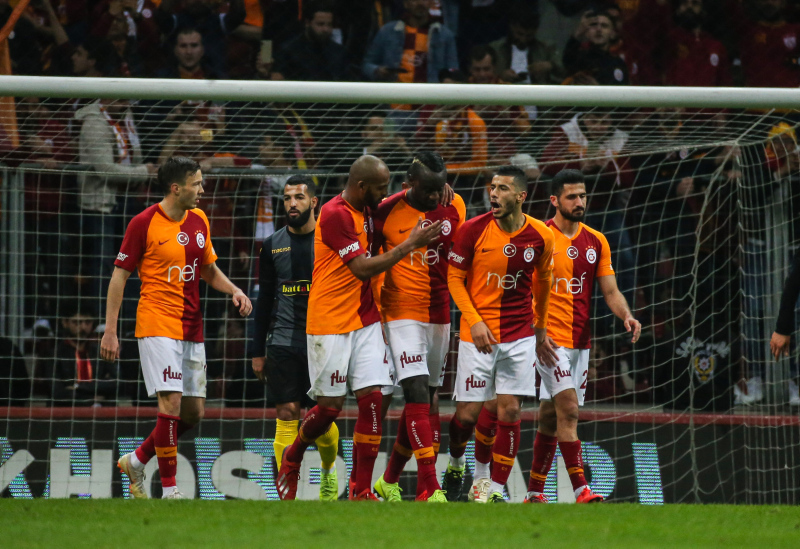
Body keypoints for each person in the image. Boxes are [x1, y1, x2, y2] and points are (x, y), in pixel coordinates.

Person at [275, 155, 442, 501]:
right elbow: (362, 269)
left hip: (365, 318)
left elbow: (400, 198)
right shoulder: (335, 214)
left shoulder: (367, 207)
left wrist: (437, 190)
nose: (385, 193)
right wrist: (410, 244)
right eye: (380, 188)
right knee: (329, 408)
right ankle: (294, 454)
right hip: (329, 321)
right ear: (362, 186)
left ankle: (361, 489)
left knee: (373, 400)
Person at [106, 156, 253, 499]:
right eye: (196, 183)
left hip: (191, 327)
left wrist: (234, 290)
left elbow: (208, 269)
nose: (202, 189)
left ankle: (136, 460)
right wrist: (110, 330)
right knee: (170, 402)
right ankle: (170, 491)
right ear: (176, 188)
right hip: (157, 322)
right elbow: (119, 276)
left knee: (193, 412)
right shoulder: (143, 223)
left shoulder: (199, 219)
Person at [524, 169, 641, 504]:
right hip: (548, 341)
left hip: (580, 342)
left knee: (551, 415)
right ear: (554, 200)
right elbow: (522, 289)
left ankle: (534, 492)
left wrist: (627, 315)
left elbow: (611, 291)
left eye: (583, 196)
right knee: (570, 411)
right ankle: (581, 489)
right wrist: (535, 330)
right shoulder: (539, 236)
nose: (579, 202)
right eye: (572, 196)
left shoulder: (596, 240)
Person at [446, 165, 554, 503]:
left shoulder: (541, 235)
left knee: (509, 411)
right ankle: (456, 462)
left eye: (502, 188)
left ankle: (490, 487)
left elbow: (543, 283)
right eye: (492, 187)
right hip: (477, 336)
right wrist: (474, 321)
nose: (493, 193)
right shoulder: (472, 230)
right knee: (467, 416)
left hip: (519, 334)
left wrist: (540, 328)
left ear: (521, 196)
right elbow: (454, 278)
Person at [370, 152, 466, 502]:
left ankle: (389, 480)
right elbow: (370, 263)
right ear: (409, 183)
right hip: (400, 311)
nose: (434, 196)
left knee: (428, 397)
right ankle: (430, 486)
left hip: (439, 313)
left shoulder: (455, 206)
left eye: (439, 188)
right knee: (416, 391)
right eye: (428, 190)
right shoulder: (385, 212)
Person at [250, 175, 340, 501]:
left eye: (299, 197)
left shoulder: (330, 241)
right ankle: (286, 493)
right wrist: (257, 350)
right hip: (283, 340)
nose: (292, 203)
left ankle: (328, 470)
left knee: (321, 416)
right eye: (287, 197)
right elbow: (264, 300)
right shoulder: (272, 245)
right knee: (287, 411)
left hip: (323, 339)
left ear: (314, 202)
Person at [46, 300, 119, 406]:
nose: (83, 327)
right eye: (77, 323)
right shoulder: (54, 354)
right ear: (65, 323)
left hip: (101, 411)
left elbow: (115, 383)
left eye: (88, 322)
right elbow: (57, 392)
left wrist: (77, 387)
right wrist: (92, 398)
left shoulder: (101, 352)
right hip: (66, 411)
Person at [271, 0, 350, 81]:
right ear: (307, 23)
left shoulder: (339, 52)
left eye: (329, 24)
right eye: (320, 24)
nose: (325, 29)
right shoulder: (289, 51)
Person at [489, 0, 563, 85]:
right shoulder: (495, 49)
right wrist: (500, 76)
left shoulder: (546, 49)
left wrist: (550, 65)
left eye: (529, 35)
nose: (523, 39)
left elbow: (564, 71)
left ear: (535, 31)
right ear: (512, 27)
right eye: (519, 34)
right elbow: (483, 74)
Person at [662, 0, 732, 87]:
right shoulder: (671, 40)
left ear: (703, 10)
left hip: (708, 94)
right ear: (678, 9)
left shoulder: (715, 46)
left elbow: (725, 81)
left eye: (695, 3)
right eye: (684, 3)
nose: (689, 7)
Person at [563, 10, 629, 85]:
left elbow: (623, 91)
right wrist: (578, 32)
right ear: (586, 32)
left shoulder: (618, 64)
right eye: (594, 25)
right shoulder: (579, 58)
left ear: (612, 34)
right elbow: (567, 60)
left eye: (604, 26)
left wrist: (597, 88)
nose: (599, 29)